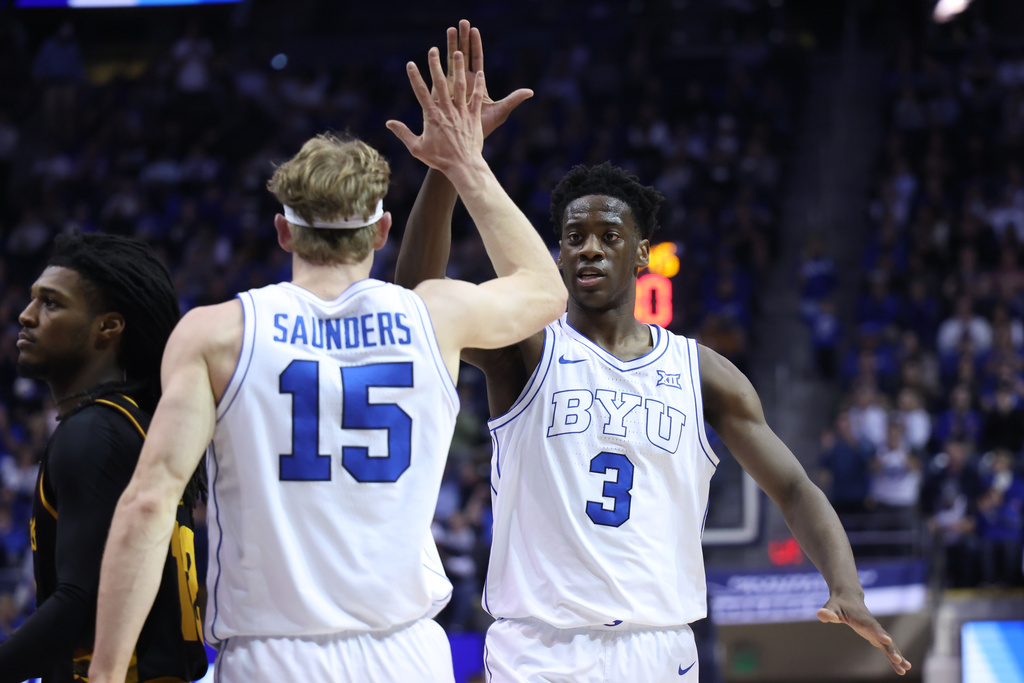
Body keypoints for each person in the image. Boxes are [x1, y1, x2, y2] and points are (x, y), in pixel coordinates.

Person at [395, 20, 912, 680]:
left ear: (642, 253)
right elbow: (413, 307)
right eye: (573, 234)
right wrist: (447, 166)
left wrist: (845, 583)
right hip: (540, 650)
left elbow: (792, 485)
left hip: (659, 647)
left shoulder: (701, 372)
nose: (588, 246)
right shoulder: (524, 350)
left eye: (608, 234)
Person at [88, 43, 565, 683]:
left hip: (270, 656)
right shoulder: (436, 314)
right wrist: (465, 164)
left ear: (284, 231)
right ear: (381, 230)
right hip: (405, 655)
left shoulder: (217, 332)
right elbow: (545, 289)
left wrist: (108, 672)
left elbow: (148, 505)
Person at [0, 233, 208, 682]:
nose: (26, 314)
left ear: (108, 327)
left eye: (51, 303)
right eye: (33, 299)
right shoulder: (137, 426)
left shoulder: (94, 433)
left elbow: (80, 601)